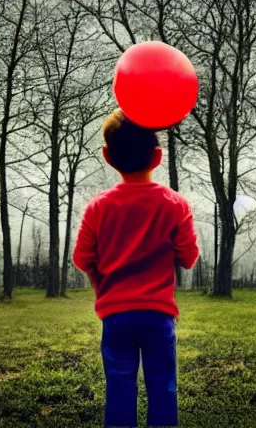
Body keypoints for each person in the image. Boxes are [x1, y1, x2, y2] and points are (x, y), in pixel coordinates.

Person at [73, 109, 199, 428]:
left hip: (115, 317)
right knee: (163, 388)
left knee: (119, 388)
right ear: (157, 157)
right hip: (158, 315)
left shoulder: (98, 207)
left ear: (107, 157)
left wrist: (102, 287)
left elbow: (82, 258)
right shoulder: (175, 204)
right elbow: (189, 257)